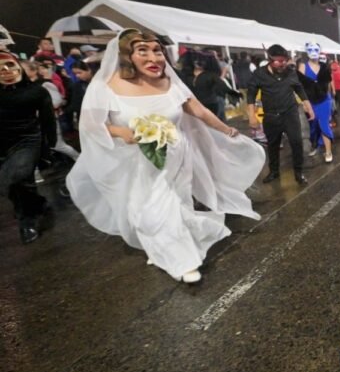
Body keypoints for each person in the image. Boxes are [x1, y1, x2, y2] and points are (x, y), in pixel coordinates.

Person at [66, 29, 265, 284]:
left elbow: (200, 111)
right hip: (135, 162)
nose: (153, 58)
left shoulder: (171, 84)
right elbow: (91, 124)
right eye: (143, 51)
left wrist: (227, 130)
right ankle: (176, 256)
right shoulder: (107, 86)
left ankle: (175, 255)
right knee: (146, 210)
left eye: (157, 51)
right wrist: (120, 132)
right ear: (127, 55)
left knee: (175, 204)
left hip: (176, 157)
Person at [0, 52, 57, 244]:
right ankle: (38, 204)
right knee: (17, 184)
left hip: (27, 141)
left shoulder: (37, 92)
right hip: (2, 145)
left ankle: (27, 220)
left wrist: (49, 149)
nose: (5, 71)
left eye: (9, 65)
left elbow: (48, 121)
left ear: (18, 66)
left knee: (15, 179)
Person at [248, 44, 315, 184]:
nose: (282, 64)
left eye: (284, 60)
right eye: (278, 61)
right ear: (270, 60)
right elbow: (251, 95)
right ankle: (274, 171)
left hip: (290, 114)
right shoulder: (259, 74)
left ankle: (299, 173)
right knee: (273, 145)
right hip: (271, 116)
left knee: (296, 143)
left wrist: (308, 107)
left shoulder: (291, 72)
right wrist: (251, 116)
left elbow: (299, 89)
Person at [298, 42, 334, 163]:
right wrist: (303, 103)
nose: (313, 52)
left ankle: (328, 151)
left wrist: (331, 99)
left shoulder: (324, 67)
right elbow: (299, 86)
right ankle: (316, 145)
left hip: (324, 100)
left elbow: (328, 84)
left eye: (316, 49)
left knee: (324, 125)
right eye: (310, 49)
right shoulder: (303, 66)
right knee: (313, 127)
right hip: (310, 102)